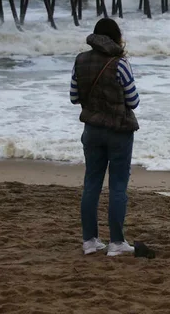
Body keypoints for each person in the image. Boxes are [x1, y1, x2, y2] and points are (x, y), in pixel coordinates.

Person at [70, 18, 140, 256]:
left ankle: (89, 241)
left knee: (91, 183)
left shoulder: (80, 60)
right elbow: (133, 101)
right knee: (118, 186)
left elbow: (73, 96)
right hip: (119, 131)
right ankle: (116, 243)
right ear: (116, 37)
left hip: (91, 129)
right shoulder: (120, 63)